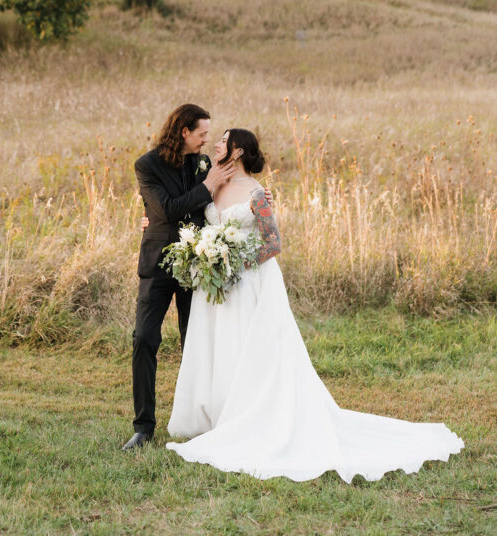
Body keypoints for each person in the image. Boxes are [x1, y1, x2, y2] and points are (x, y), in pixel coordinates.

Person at [166, 128, 464, 482]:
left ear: (237, 150)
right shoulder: (211, 183)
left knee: (252, 350)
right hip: (216, 287)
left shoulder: (258, 193)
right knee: (221, 347)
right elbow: (193, 217)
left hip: (248, 283)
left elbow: (272, 244)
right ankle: (217, 415)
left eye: (223, 140)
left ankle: (250, 418)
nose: (215, 143)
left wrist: (231, 261)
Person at [122, 103, 238, 451]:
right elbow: (167, 209)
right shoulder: (147, 165)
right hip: (157, 264)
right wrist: (207, 185)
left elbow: (220, 198)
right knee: (144, 338)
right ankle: (143, 427)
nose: (206, 140)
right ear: (184, 132)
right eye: (202, 133)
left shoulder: (201, 163)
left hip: (197, 263)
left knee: (194, 342)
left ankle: (196, 420)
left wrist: (257, 200)